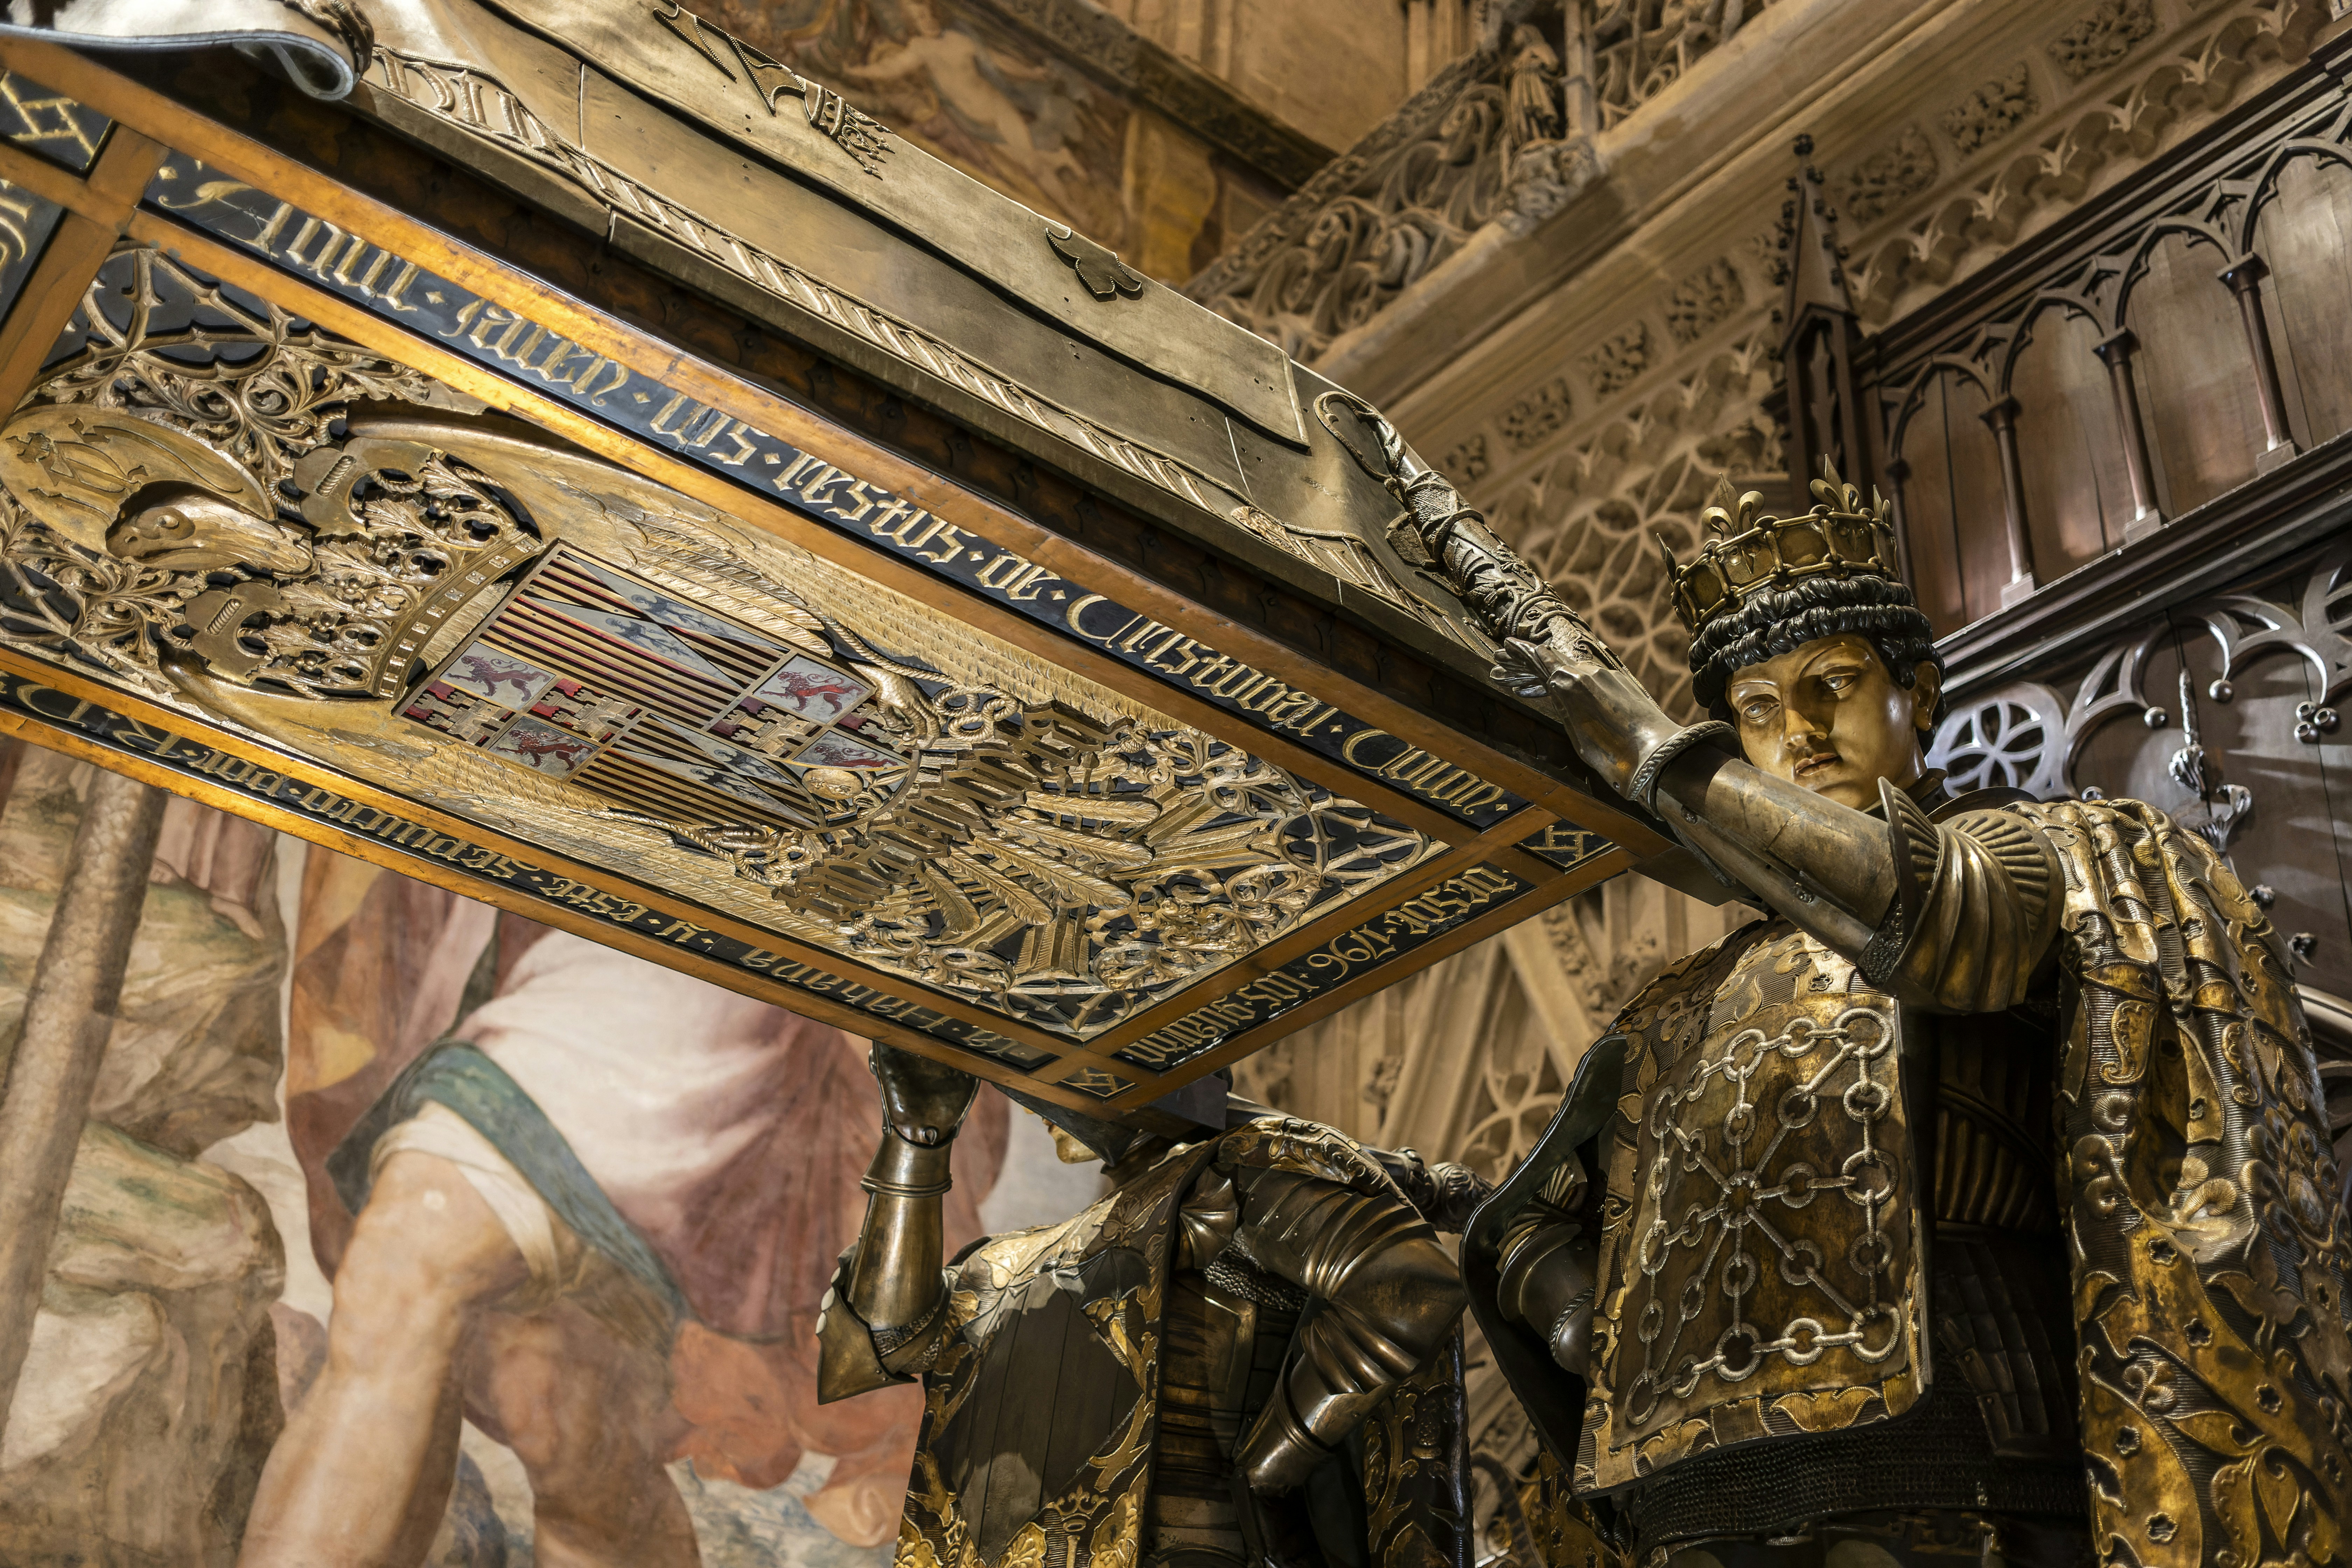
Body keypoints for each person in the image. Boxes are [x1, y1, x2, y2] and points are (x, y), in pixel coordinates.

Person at [1321, 387, 2352, 1567]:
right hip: (1691, 1485)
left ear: (1923, 693)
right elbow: (1531, 1227)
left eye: (1835, 683)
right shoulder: (1683, 1003)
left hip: (1957, 1425)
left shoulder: (2045, 853)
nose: (1798, 730)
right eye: (1756, 711)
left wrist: (1653, 754)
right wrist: (1584, 1321)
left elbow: (1933, 916)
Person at [818, 1044, 1485, 1568]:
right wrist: (916, 1136)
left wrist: (1268, 1470)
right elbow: (884, 1343)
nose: (1030, 1102)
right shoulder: (1002, 1264)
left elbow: (1409, 1289)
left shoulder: (1237, 1172)